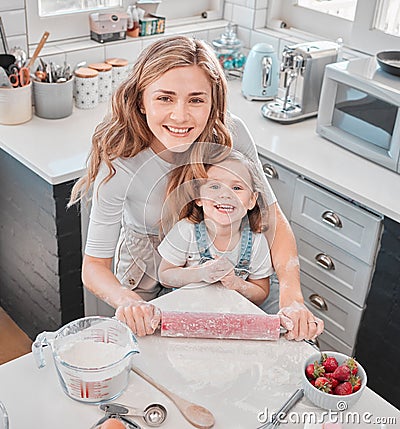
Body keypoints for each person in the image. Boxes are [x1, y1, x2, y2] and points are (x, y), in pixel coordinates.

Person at [69, 35, 323, 341]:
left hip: (221, 257)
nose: (180, 115)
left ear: (213, 101)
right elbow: (94, 266)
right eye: (164, 98)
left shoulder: (231, 133)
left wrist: (292, 297)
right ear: (141, 101)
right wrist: (127, 301)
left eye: (196, 99)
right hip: (147, 268)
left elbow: (272, 220)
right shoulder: (121, 160)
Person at [158, 148, 274, 306]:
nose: (226, 195)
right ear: (198, 196)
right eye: (214, 187)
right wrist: (200, 273)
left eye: (237, 188)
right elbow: (165, 277)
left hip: (229, 317)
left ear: (252, 200)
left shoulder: (256, 242)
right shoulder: (185, 231)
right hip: (186, 312)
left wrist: (237, 283)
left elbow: (261, 292)